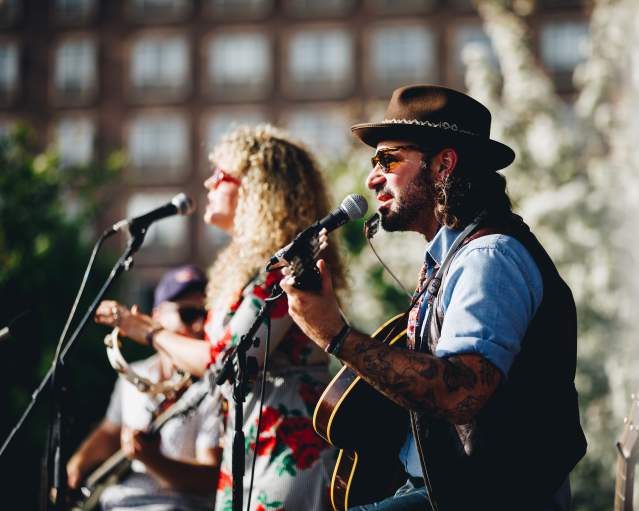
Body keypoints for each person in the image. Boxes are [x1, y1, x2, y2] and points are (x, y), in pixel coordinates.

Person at [281, 85, 587, 510]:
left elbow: (461, 394)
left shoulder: (487, 257)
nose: (372, 178)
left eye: (387, 159)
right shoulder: (455, 257)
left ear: (443, 165)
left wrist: (336, 336)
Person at [95, 124, 345, 511]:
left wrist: (147, 330)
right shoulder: (253, 269)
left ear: (259, 189)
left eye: (222, 174)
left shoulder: (286, 269)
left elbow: (225, 361)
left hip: (285, 449)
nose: (209, 182)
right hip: (247, 444)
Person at [67, 265, 222, 511]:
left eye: (206, 315)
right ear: (157, 315)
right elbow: (110, 431)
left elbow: (210, 480)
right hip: (120, 502)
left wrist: (153, 460)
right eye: (189, 314)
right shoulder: (135, 374)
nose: (199, 325)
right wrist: (77, 464)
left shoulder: (215, 386)